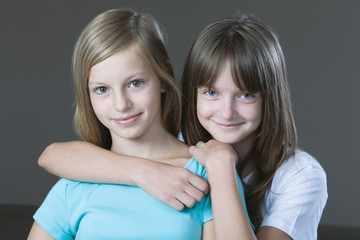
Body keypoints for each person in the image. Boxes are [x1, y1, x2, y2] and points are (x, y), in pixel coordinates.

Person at [37, 12, 327, 240]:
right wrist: (145, 173)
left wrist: (222, 167)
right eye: (211, 92)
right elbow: (51, 156)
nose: (226, 112)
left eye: (246, 94)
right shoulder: (184, 146)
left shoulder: (297, 174)